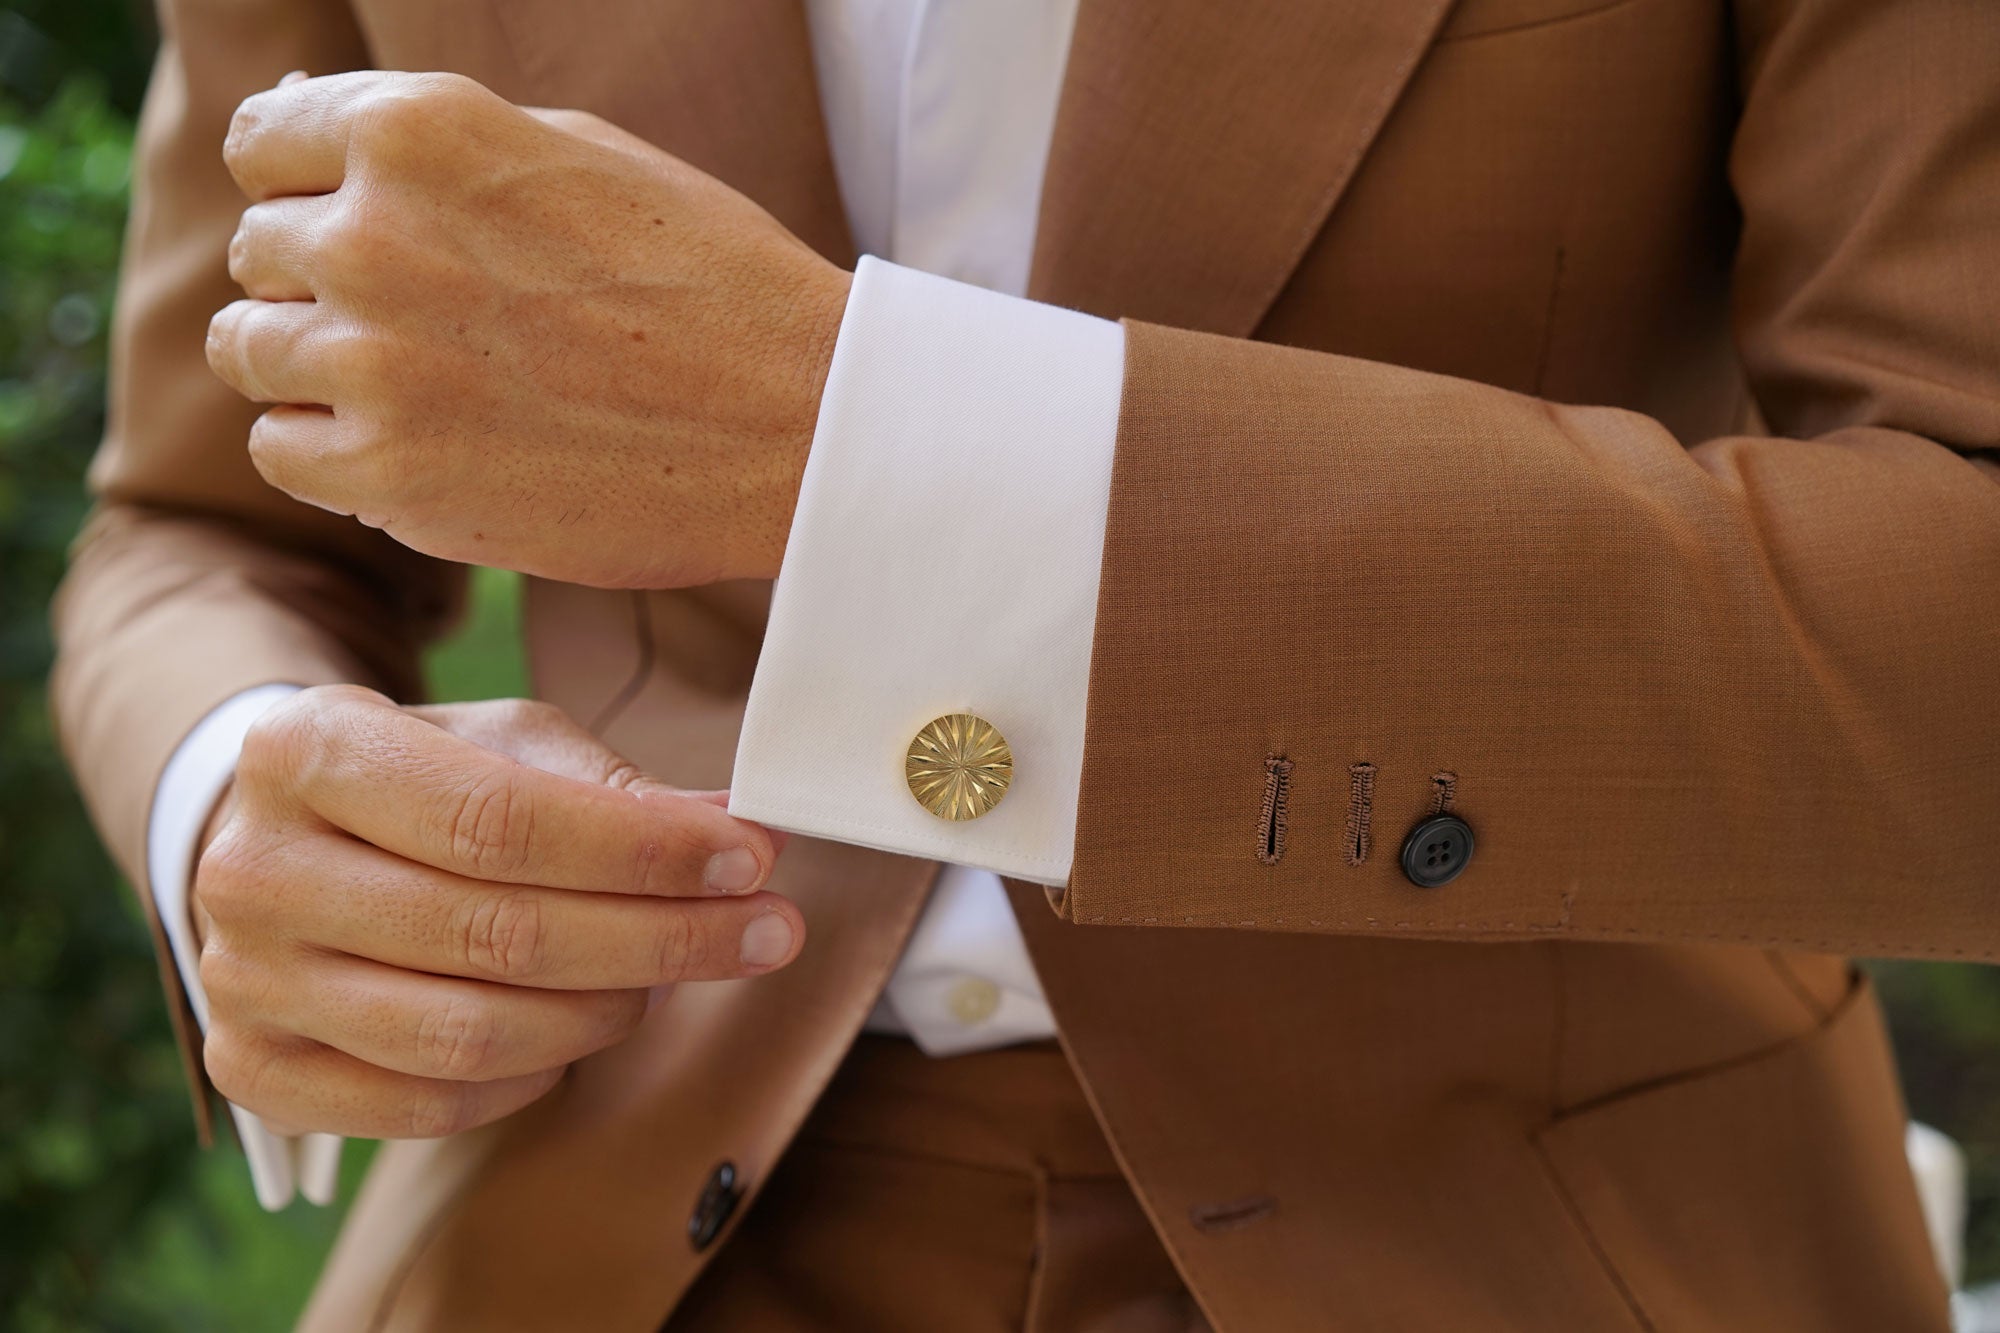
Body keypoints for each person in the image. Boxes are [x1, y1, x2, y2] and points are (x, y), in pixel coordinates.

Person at [52, 0, 2000, 1328]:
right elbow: (196, 526)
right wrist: (236, 795)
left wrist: (881, 439)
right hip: (601, 1206)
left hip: (1543, 1220)